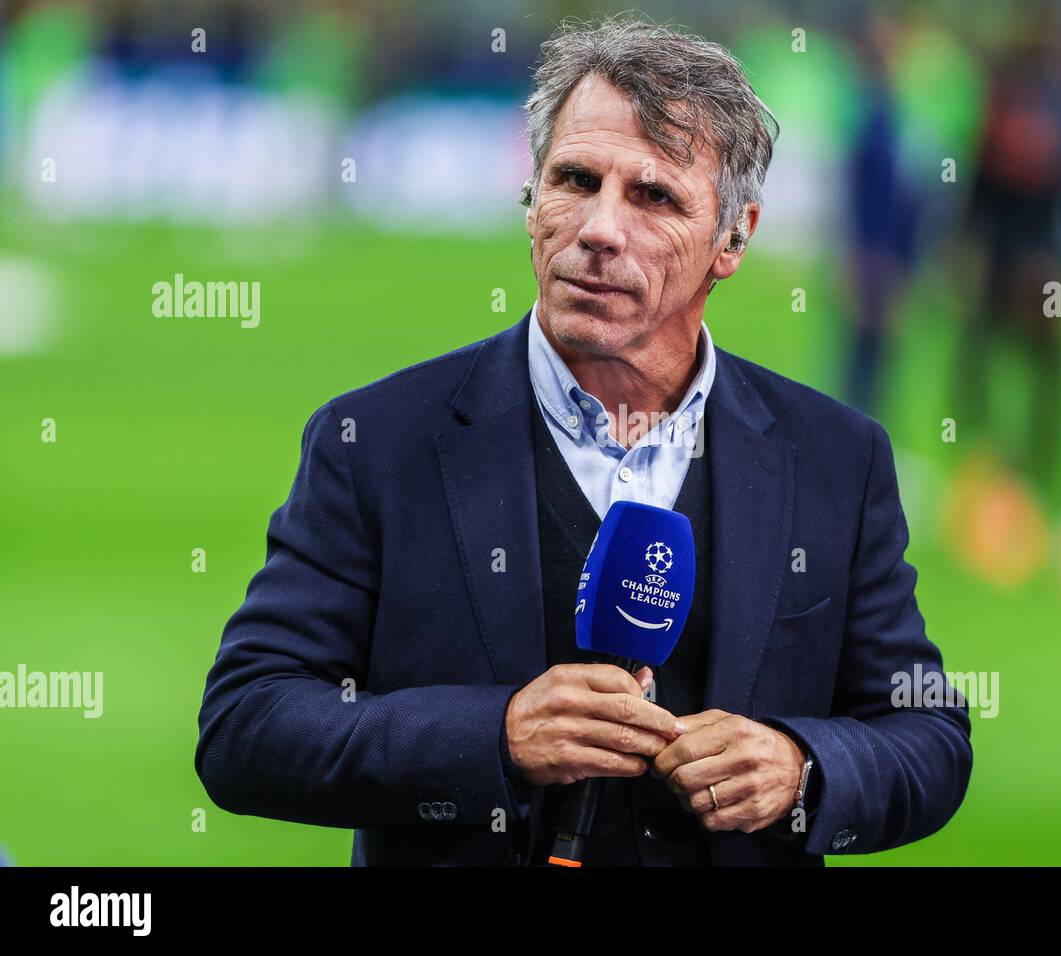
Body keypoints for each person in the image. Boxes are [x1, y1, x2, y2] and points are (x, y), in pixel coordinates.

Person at [195, 12, 972, 867]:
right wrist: (493, 737)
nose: (601, 229)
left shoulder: (836, 458)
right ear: (531, 202)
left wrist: (804, 769)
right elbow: (246, 724)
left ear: (735, 238)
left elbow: (928, 732)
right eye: (575, 179)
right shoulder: (374, 442)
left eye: (654, 196)